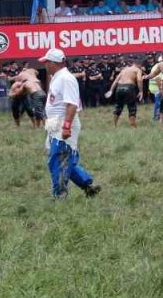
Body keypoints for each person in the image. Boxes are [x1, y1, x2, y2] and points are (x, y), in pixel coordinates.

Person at [39, 48, 101, 198]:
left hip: (64, 124)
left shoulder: (66, 78)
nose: (45, 64)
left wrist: (66, 127)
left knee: (59, 160)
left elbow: (72, 104)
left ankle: (60, 195)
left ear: (54, 63)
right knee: (65, 159)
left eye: (47, 62)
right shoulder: (58, 77)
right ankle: (87, 186)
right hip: (56, 124)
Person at [106, 60, 143, 128]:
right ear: (139, 65)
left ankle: (114, 125)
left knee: (118, 106)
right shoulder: (137, 70)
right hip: (129, 87)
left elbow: (115, 81)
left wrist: (111, 90)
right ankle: (132, 125)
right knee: (132, 106)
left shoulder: (124, 70)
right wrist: (141, 91)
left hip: (119, 87)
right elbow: (139, 80)